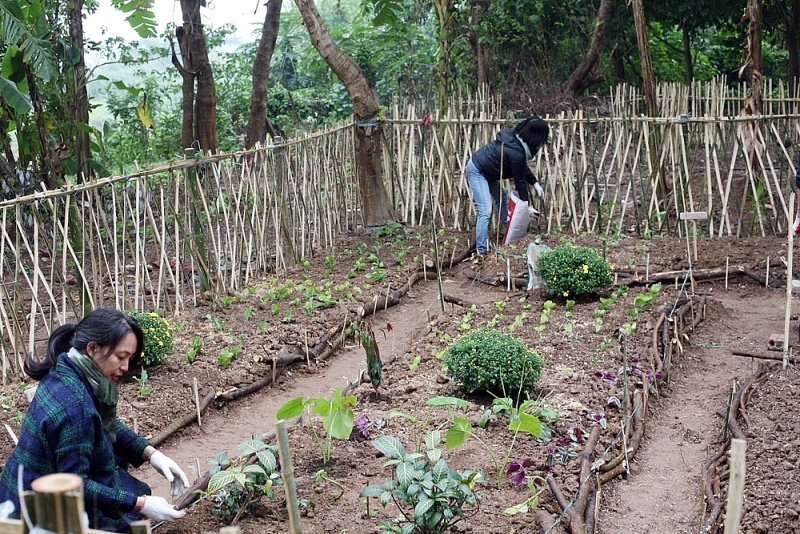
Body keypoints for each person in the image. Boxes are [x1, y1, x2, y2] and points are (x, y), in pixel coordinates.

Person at [0, 309, 189, 532]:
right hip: (35, 511)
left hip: (19, 487)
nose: (126, 367)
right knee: (128, 509)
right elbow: (76, 486)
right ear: (92, 348)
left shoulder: (66, 369)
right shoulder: (75, 406)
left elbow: (99, 422)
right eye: (120, 357)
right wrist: (140, 504)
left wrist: (151, 454)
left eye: (129, 358)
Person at [465, 116, 549, 256]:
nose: (540, 146)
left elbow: (521, 167)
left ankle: (509, 233)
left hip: (489, 172)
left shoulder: (516, 141)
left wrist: (534, 183)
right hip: (477, 170)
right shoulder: (516, 151)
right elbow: (520, 180)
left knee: (501, 198)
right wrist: (526, 206)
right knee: (485, 210)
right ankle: (481, 250)